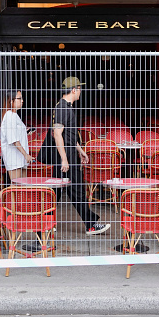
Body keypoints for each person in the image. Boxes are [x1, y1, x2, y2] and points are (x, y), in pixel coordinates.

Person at [52, 77, 110, 235]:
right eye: (79, 88)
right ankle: (90, 225)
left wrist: (80, 150)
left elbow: (68, 135)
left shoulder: (65, 107)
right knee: (73, 190)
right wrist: (64, 158)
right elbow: (57, 134)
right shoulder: (63, 108)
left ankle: (46, 221)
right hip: (65, 155)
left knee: (59, 190)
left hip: (68, 153)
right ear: (73, 90)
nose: (81, 92)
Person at [0, 90, 34, 198]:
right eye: (19, 98)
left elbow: (15, 134)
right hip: (14, 156)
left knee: (22, 186)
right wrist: (26, 155)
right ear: (11, 101)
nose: (22, 101)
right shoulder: (10, 116)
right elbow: (13, 139)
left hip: (18, 157)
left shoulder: (14, 115)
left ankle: (20, 211)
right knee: (15, 186)